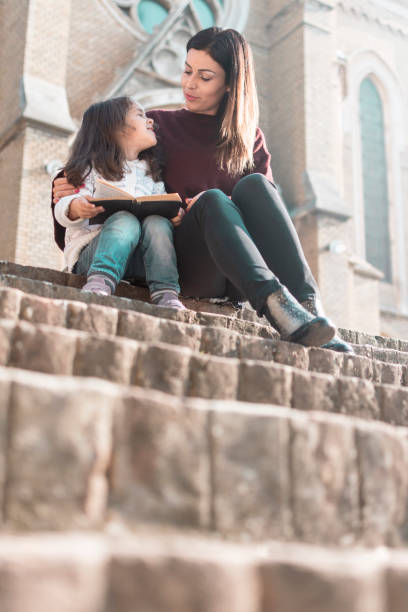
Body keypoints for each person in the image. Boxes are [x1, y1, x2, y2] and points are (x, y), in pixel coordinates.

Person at [53, 27, 352, 351]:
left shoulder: (249, 139)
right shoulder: (157, 126)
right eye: (186, 70)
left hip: (237, 273)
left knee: (256, 185)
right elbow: (104, 157)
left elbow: (269, 221)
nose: (189, 84)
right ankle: (277, 307)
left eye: (205, 76)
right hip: (178, 265)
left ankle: (307, 308)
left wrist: (224, 204)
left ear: (229, 85)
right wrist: (64, 182)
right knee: (212, 200)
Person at [54, 96, 185, 309]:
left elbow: (163, 203)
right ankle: (100, 282)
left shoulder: (151, 174)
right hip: (94, 256)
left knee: (158, 223)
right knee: (125, 220)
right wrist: (75, 207)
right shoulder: (90, 168)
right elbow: (64, 203)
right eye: (141, 115)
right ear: (116, 128)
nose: (150, 120)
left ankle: (166, 292)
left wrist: (173, 214)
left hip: (140, 261)